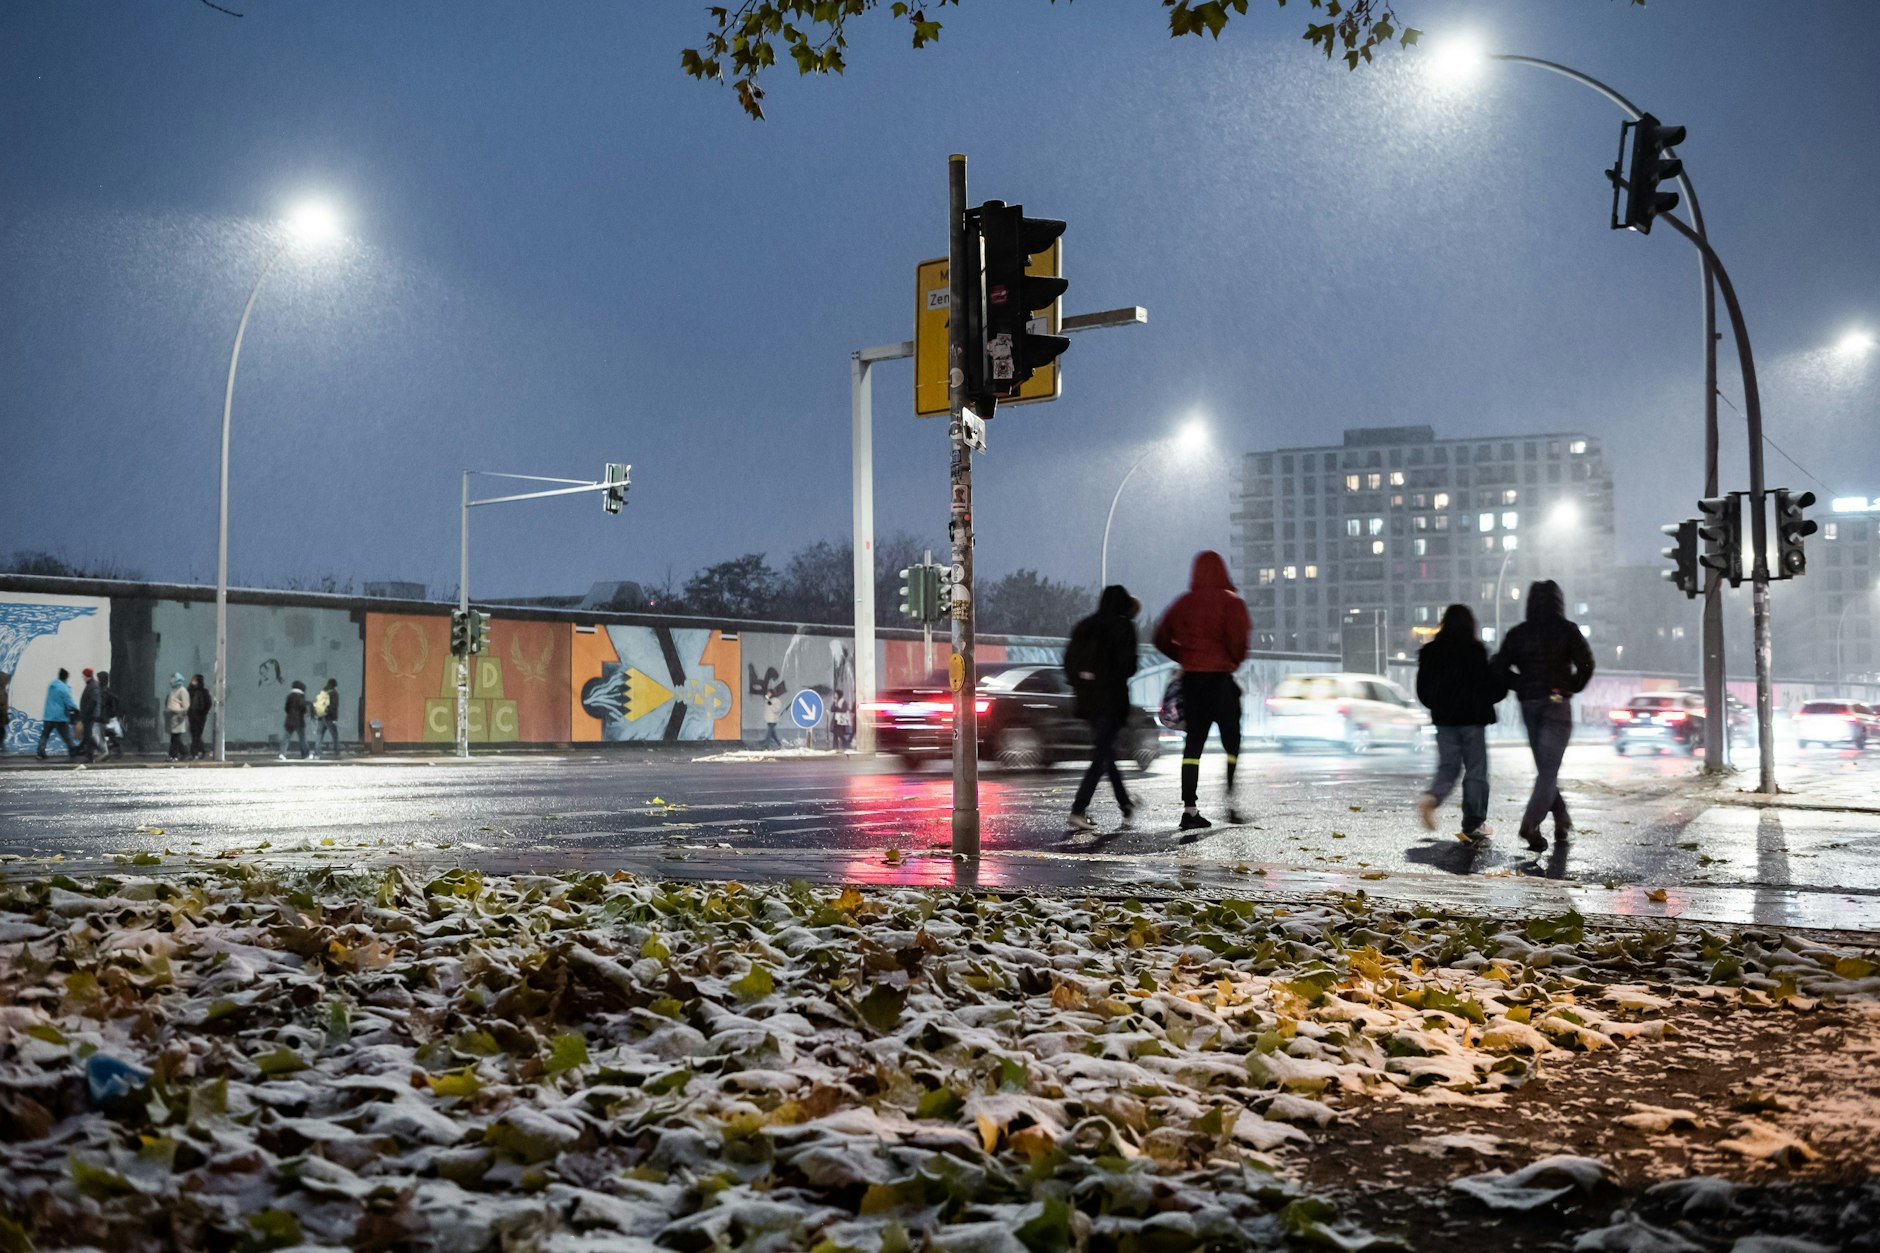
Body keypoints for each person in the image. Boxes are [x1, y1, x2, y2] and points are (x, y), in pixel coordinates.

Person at [1492, 580, 1596, 852]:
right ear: (1558, 602)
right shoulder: (1567, 630)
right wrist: (1572, 685)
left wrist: (1522, 684)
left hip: (1529, 704)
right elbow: (1587, 662)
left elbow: (1499, 667)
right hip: (1556, 701)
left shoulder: (1518, 633)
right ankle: (1531, 823)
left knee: (1545, 769)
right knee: (1549, 769)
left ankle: (1561, 818)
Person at [1153, 551, 1252, 831]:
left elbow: (1159, 636)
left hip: (1192, 682)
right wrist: (1231, 660)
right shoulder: (1232, 603)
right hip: (1220, 681)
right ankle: (1230, 802)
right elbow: (1239, 643)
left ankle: (1190, 809)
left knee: (1193, 746)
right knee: (1232, 742)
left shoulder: (1183, 603)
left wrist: (1184, 656)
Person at [1414, 604, 1505, 843]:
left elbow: (1423, 690)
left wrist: (1438, 705)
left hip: (1445, 720)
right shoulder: (1475, 651)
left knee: (1448, 767)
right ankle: (1474, 823)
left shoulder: (1431, 652)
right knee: (1476, 771)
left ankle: (1432, 798)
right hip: (1473, 720)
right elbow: (1490, 688)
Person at [1064, 585, 1141, 833]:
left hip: (1087, 702)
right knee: (1100, 756)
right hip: (1111, 699)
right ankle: (1078, 809)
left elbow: (1068, 662)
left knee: (1106, 753)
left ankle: (1126, 804)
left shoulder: (1085, 625)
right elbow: (1128, 666)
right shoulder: (1123, 626)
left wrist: (1084, 684)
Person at [38, 668, 81, 759]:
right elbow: (68, 702)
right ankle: (73, 751)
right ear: (66, 677)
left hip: (48, 715)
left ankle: (40, 752)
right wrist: (76, 709)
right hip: (59, 716)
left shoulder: (52, 685)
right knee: (66, 736)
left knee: (45, 735)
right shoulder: (64, 688)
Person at [73, 669, 99, 763]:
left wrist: (87, 711)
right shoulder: (91, 685)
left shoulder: (92, 686)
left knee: (88, 735)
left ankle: (91, 754)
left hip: (89, 715)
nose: (82, 677)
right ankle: (85, 752)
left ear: (86, 676)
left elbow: (93, 701)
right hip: (88, 715)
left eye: (83, 675)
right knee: (87, 735)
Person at [281, 680, 310, 760]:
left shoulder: (289, 696)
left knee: (286, 737)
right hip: (299, 721)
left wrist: (290, 713)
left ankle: (282, 754)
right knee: (302, 738)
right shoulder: (302, 697)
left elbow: (286, 708)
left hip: (290, 719)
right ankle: (305, 755)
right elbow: (303, 709)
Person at [165, 673, 191, 761]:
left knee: (175, 738)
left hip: (179, 717)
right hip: (173, 718)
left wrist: (180, 714)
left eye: (172, 679)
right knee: (175, 737)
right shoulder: (174, 690)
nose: (170, 681)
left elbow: (186, 706)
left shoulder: (182, 691)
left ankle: (173, 755)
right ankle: (184, 753)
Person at [187, 675, 212, 759]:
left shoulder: (203, 692)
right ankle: (202, 751)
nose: (193, 681)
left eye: (195, 680)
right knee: (195, 734)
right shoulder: (189, 690)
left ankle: (194, 753)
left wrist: (203, 713)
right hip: (192, 715)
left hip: (200, 716)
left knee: (196, 734)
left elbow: (208, 704)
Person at [314, 677, 341, 758]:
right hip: (330, 718)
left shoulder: (323, 692)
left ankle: (317, 754)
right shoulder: (334, 693)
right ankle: (337, 753)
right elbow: (334, 707)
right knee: (335, 736)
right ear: (335, 685)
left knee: (319, 736)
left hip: (321, 717)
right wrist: (334, 719)